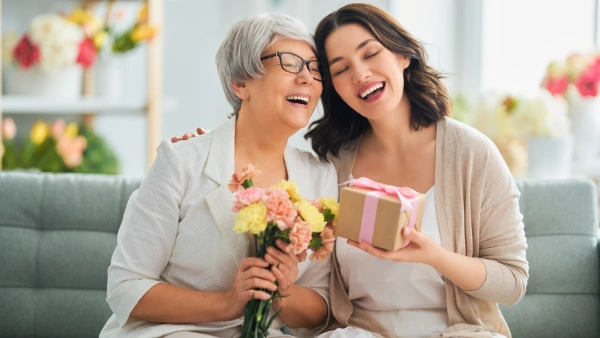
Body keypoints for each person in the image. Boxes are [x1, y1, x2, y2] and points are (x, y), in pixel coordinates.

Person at [175, 4, 528, 338]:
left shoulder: (472, 155)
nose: (360, 74)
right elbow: (268, 173)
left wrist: (434, 256)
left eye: (371, 53)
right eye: (341, 69)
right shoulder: (330, 164)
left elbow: (512, 282)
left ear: (403, 55)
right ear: (333, 87)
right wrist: (215, 150)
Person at [100, 13, 338, 338]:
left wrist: (284, 291)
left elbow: (322, 306)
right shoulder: (181, 161)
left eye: (314, 68)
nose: (307, 78)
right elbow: (127, 287)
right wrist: (228, 303)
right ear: (240, 83)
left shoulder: (321, 176)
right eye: (291, 63)